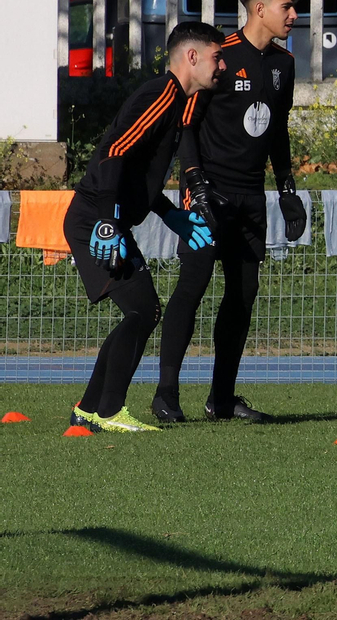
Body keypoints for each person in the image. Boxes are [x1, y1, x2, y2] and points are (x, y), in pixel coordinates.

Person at [152, 0, 305, 424]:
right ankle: (166, 394)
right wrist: (194, 180)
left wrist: (287, 190)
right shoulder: (221, 56)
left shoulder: (284, 64)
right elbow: (187, 125)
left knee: (243, 293)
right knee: (193, 285)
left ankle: (221, 399)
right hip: (207, 193)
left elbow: (278, 131)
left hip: (251, 196)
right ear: (259, 9)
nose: (294, 15)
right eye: (286, 7)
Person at [68, 21, 227, 433]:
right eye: (217, 57)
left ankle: (88, 409)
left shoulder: (177, 102)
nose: (223, 65)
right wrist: (107, 220)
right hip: (94, 219)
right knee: (143, 310)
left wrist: (170, 214)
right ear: (192, 57)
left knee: (143, 310)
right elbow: (113, 152)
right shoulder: (161, 94)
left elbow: (138, 175)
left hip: (104, 217)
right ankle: (108, 411)